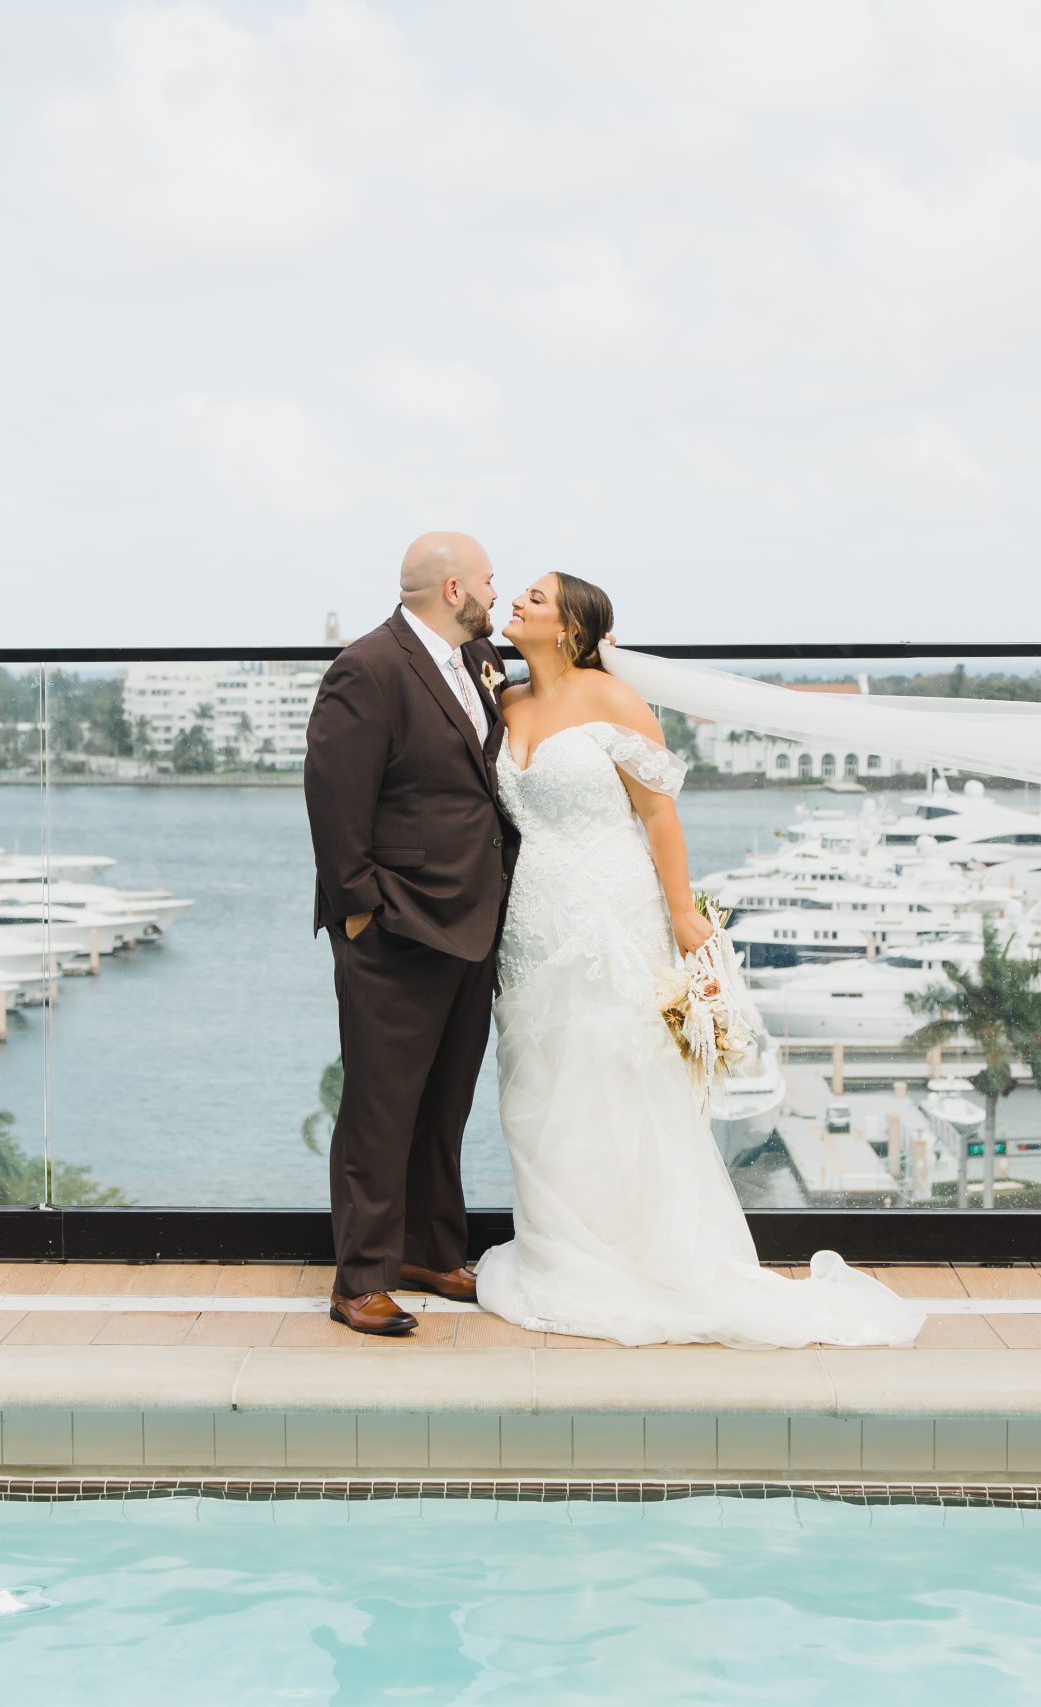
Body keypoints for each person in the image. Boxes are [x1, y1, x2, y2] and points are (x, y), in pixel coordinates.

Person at [472, 571, 924, 1348]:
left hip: (613, 911)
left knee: (621, 1080)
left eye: (536, 598)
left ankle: (646, 1258)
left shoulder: (613, 700)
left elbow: (659, 815)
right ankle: (559, 1250)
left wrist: (684, 914)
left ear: (572, 628)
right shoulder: (505, 701)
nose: (517, 600)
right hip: (532, 921)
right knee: (539, 1085)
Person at [302, 531, 518, 1335]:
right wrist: (361, 909)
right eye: (491, 582)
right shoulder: (370, 666)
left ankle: (430, 1248)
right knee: (378, 1107)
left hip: (472, 918)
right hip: (395, 925)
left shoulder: (477, 660)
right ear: (455, 588)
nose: (500, 594)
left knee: (443, 1104)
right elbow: (332, 794)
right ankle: (358, 1277)